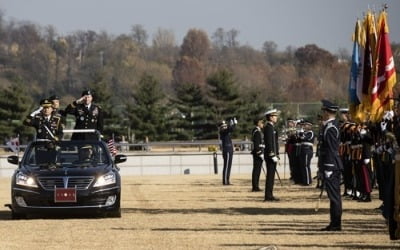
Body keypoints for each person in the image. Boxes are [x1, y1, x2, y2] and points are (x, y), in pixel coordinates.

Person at [319, 99, 343, 231]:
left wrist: (327, 166)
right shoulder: (328, 126)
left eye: (323, 111)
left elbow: (331, 149)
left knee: (334, 196)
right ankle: (334, 222)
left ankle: (336, 223)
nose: (322, 113)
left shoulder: (331, 127)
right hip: (331, 165)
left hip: (332, 165)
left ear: (327, 113)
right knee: (332, 196)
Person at [263, 109, 280, 201]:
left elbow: (275, 143)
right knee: (270, 176)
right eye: (274, 116)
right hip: (270, 156)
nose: (276, 118)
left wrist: (277, 154)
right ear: (270, 117)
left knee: (271, 176)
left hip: (273, 155)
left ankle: (270, 194)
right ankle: (268, 196)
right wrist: (272, 154)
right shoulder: (268, 127)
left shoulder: (272, 127)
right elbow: (269, 143)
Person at [219, 117, 237, 185]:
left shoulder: (226, 131)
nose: (225, 127)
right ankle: (225, 181)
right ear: (221, 127)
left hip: (229, 150)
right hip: (227, 150)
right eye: (224, 126)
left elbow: (231, 129)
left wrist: (232, 125)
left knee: (228, 166)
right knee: (226, 166)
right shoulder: (222, 131)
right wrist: (233, 124)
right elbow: (229, 129)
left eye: (226, 126)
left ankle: (227, 180)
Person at [298, 120, 315, 186]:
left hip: (307, 149)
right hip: (303, 149)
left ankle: (308, 181)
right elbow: (299, 138)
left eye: (306, 125)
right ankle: (304, 180)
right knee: (302, 165)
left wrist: (302, 134)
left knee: (306, 165)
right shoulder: (304, 132)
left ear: (310, 126)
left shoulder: (311, 133)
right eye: (304, 125)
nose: (304, 126)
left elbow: (304, 138)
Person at [251, 117, 264, 192]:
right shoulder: (256, 131)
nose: (262, 124)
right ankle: (255, 187)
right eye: (261, 122)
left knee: (257, 170)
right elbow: (256, 144)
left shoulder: (258, 131)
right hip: (257, 153)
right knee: (256, 170)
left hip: (259, 152)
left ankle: (256, 185)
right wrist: (259, 153)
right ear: (258, 123)